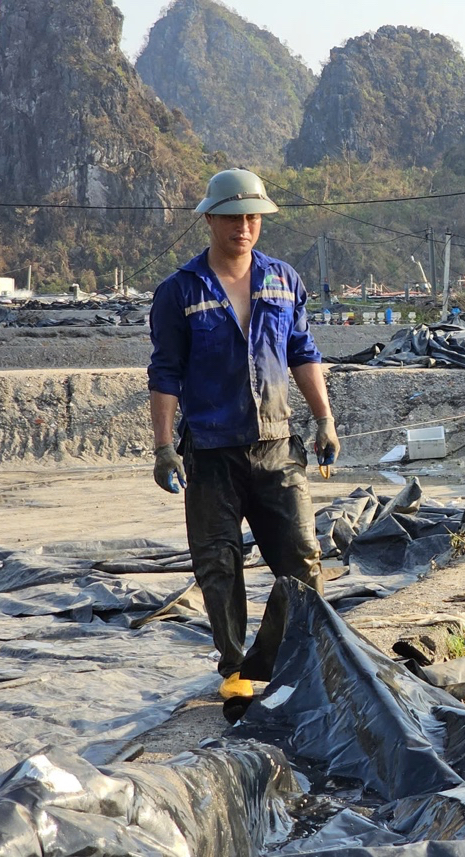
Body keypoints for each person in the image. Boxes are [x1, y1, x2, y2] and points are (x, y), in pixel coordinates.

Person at [147, 168, 340, 702]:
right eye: (233, 217)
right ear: (209, 218)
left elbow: (303, 352)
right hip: (210, 453)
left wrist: (323, 418)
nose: (244, 226)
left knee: (301, 558)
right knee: (219, 564)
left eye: (253, 216)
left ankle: (298, 658)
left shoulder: (283, 280)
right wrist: (164, 447)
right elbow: (164, 372)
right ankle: (236, 670)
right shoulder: (179, 292)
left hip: (277, 446)